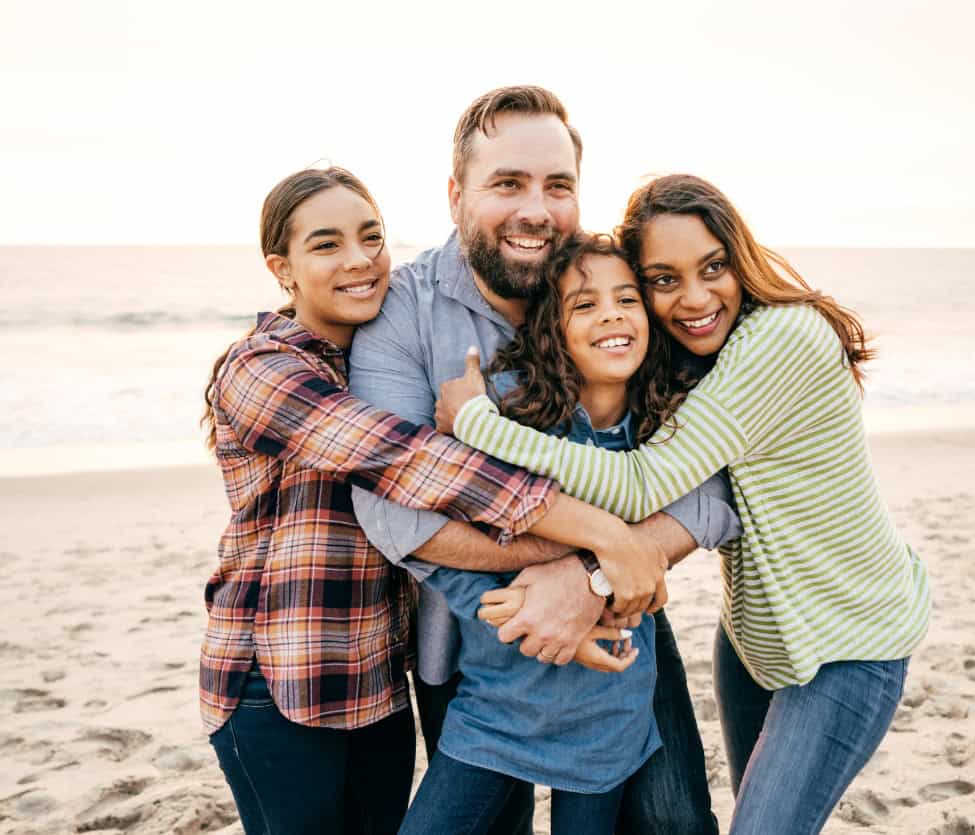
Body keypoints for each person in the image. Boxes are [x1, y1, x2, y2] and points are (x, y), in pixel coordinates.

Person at [438, 173, 933, 835]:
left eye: (713, 267)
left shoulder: (779, 339)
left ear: (741, 258)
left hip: (850, 641)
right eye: (664, 280)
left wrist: (478, 422)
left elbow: (643, 484)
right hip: (755, 642)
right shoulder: (703, 353)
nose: (695, 297)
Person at [200, 167, 669, 834]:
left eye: (371, 236)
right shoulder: (262, 370)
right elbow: (410, 461)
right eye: (326, 245)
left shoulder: (370, 352)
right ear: (284, 268)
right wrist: (606, 535)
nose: (360, 259)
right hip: (280, 681)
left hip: (379, 679)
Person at [350, 88, 738, 835]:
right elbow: (391, 505)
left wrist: (592, 576)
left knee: (676, 823)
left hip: (619, 630)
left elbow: (713, 482)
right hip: (475, 645)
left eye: (557, 185)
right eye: (508, 183)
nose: (537, 208)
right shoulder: (406, 309)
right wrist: (599, 540)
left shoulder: (612, 283)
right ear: (457, 193)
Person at [403, 232, 737, 835]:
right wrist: (518, 615)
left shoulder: (667, 436)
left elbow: (705, 511)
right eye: (583, 305)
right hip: (498, 706)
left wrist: (597, 594)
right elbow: (443, 547)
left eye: (626, 298)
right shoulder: (515, 422)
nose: (609, 313)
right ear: (551, 330)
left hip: (608, 711)